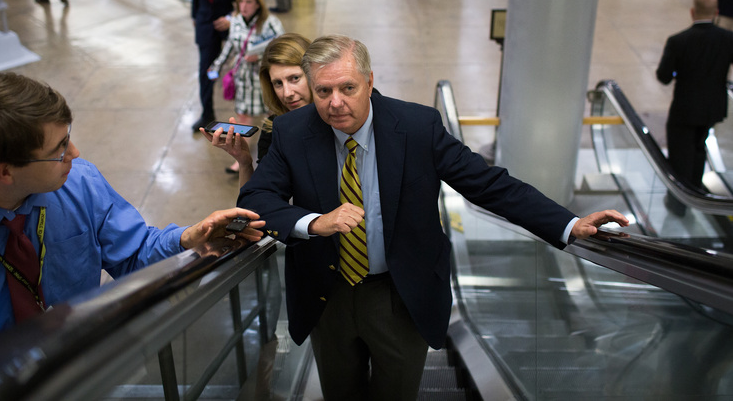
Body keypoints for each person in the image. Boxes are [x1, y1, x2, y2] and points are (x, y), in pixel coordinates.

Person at [237, 34, 630, 400]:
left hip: (400, 294)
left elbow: (489, 184)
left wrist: (568, 223)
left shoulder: (417, 126)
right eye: (323, 91)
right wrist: (313, 223)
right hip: (327, 295)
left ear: (369, 82)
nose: (334, 102)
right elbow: (256, 198)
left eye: (347, 88)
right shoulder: (292, 131)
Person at [0, 72, 265, 340]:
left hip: (77, 358)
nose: (74, 153)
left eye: (67, 138)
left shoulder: (79, 184)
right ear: (5, 172)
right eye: (57, 150)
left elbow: (133, 254)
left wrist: (187, 238)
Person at [656, 0, 733, 216]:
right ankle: (696, 195)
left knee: (680, 157)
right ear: (716, 13)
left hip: (684, 108)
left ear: (692, 12)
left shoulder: (678, 41)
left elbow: (663, 76)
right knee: (700, 150)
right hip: (712, 109)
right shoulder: (729, 39)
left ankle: (678, 204)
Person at [203, 32, 311, 183]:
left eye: (295, 78)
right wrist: (245, 162)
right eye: (278, 83)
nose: (287, 93)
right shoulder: (273, 130)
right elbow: (258, 199)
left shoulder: (337, 119)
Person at [206, 0, 283, 173]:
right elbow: (230, 48)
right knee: (243, 119)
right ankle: (242, 160)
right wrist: (216, 66)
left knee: (270, 118)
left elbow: (282, 46)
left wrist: (261, 55)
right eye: (241, 1)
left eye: (248, 1)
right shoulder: (236, 22)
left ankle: (271, 157)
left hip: (263, 80)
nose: (244, 6)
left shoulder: (270, 22)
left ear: (258, 4)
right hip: (244, 80)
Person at [189, 0, 248, 132]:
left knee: (242, 68)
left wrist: (232, 19)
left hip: (230, 22)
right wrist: (195, 16)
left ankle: (246, 112)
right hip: (206, 23)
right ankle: (207, 113)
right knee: (207, 69)